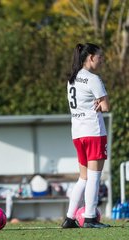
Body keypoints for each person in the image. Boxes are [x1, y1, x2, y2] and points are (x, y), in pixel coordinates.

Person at [62, 43, 110, 228]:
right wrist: (100, 103)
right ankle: (90, 217)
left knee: (83, 177)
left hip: (78, 133)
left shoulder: (72, 79)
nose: (101, 60)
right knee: (95, 176)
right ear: (90, 57)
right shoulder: (93, 79)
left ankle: (69, 217)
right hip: (94, 132)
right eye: (100, 57)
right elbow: (105, 107)